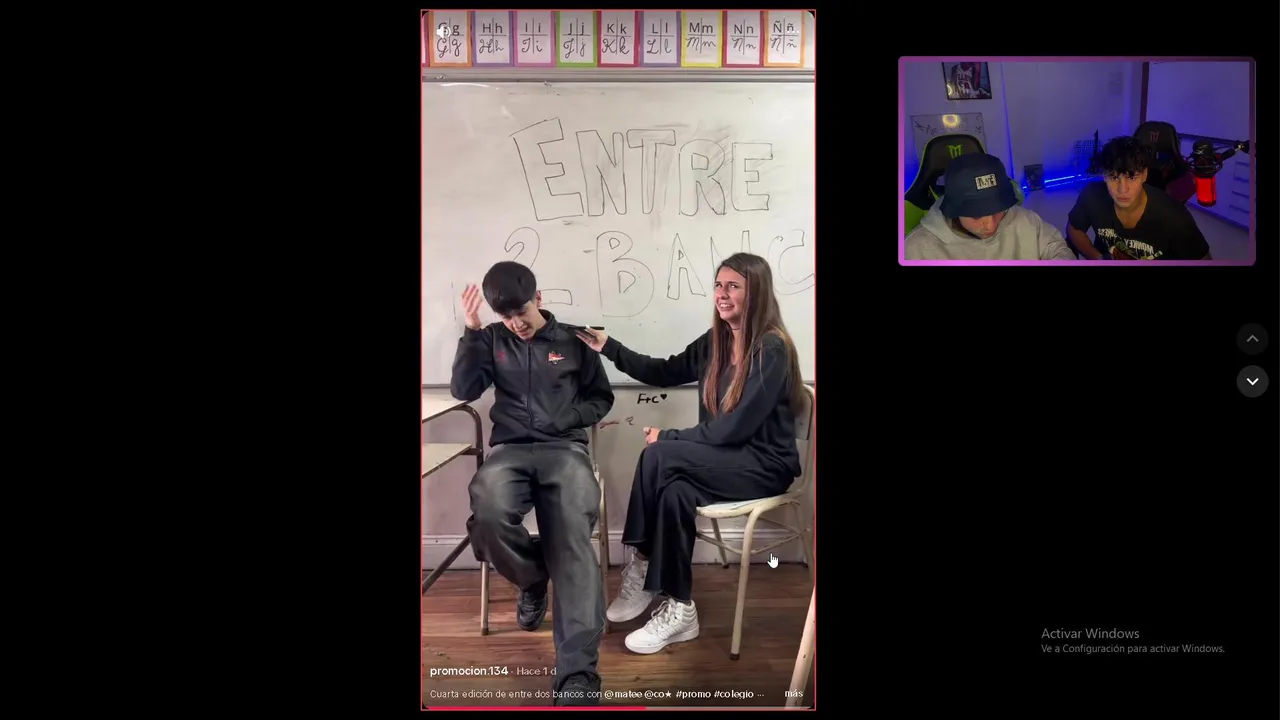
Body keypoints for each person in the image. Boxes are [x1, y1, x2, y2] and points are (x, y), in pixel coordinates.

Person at [575, 252, 805, 655]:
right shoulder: (716, 341)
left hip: (765, 465)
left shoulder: (771, 349)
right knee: (675, 491)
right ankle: (681, 608)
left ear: (756, 292)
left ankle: (643, 560)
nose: (722, 294)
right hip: (726, 460)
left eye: (733, 286)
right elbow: (662, 371)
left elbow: (735, 429)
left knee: (658, 456)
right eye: (718, 285)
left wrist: (669, 436)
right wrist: (609, 347)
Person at [450, 261, 614, 705]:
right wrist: (472, 331)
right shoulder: (491, 339)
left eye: (521, 312)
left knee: (572, 538)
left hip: (565, 451)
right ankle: (534, 578)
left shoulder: (575, 340)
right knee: (487, 513)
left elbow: (601, 398)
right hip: (511, 452)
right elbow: (464, 389)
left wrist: (568, 417)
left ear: (538, 298)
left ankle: (577, 676)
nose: (516, 324)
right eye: (505, 317)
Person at [905, 153, 1076, 261]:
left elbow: (1057, 249)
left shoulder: (1027, 221)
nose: (990, 225)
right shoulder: (917, 249)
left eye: (997, 210)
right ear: (954, 210)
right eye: (976, 215)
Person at [1065, 136, 1212, 260]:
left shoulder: (1174, 216)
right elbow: (1074, 230)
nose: (1122, 189)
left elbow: (1203, 260)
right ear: (1104, 176)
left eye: (1132, 177)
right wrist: (1099, 259)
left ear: (1144, 175)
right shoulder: (1092, 195)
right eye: (1114, 177)